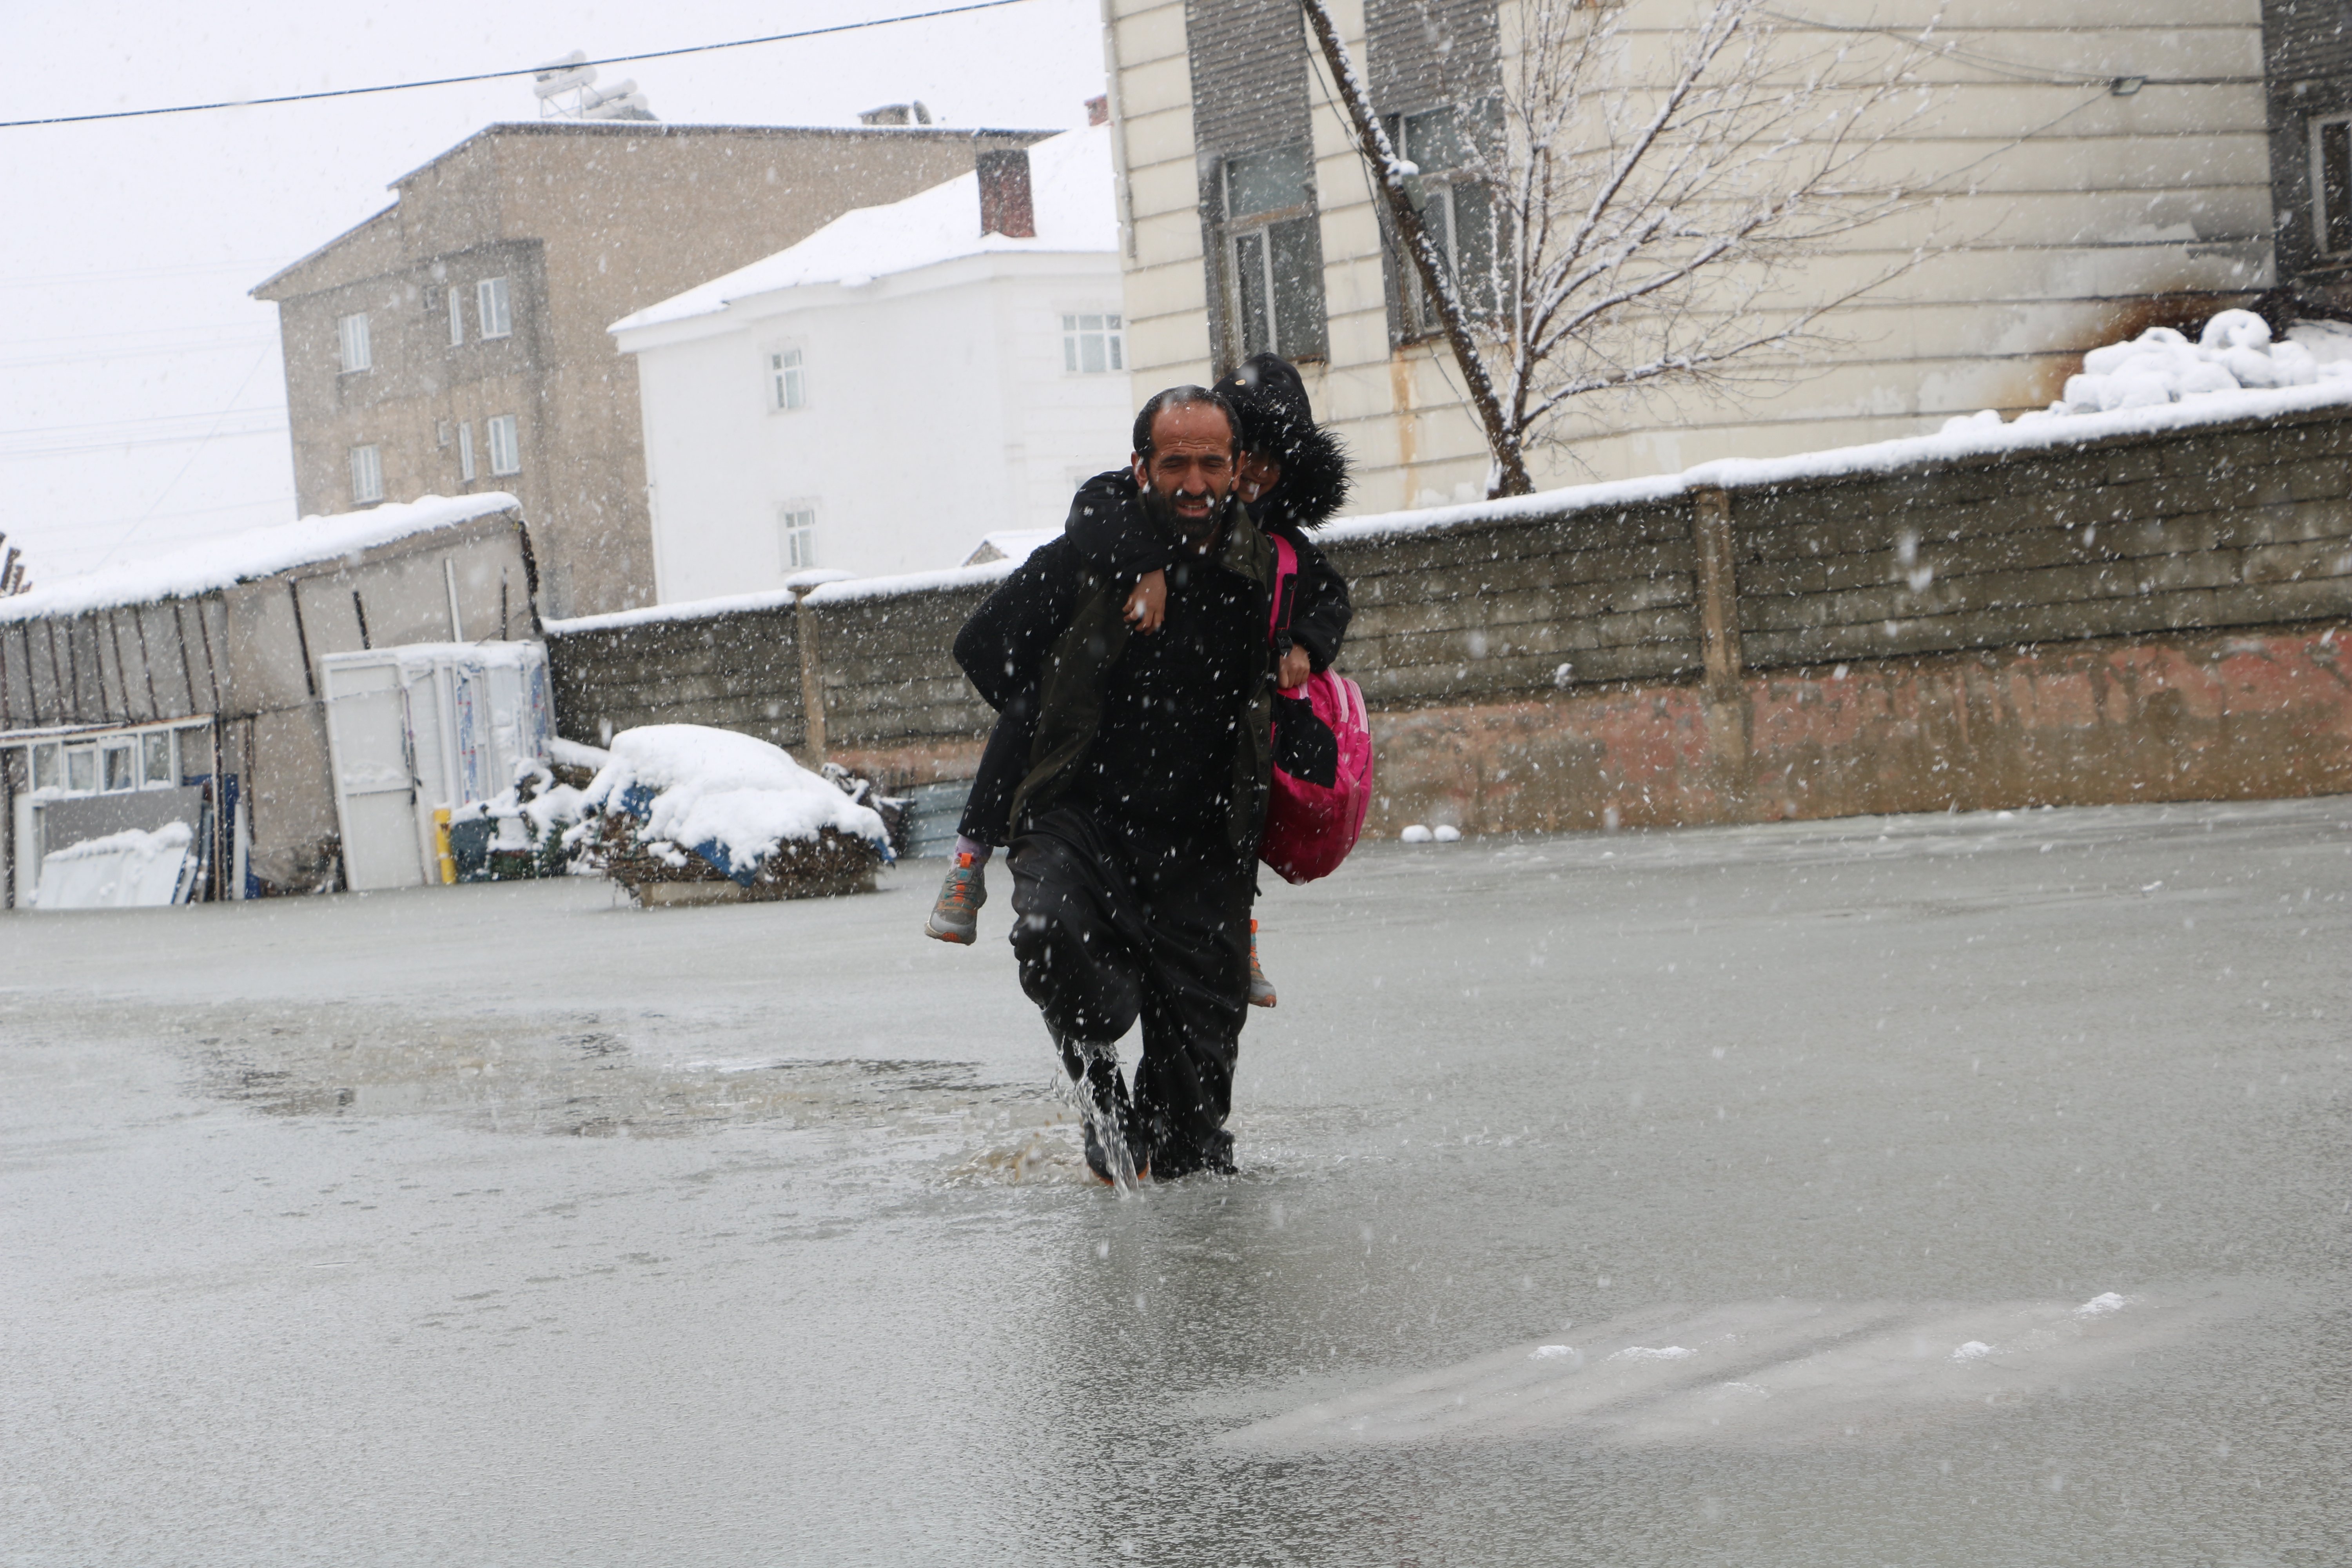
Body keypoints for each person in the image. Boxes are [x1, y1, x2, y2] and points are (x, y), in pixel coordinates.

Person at [945, 385, 1328, 1183]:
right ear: (1141, 466)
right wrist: (1049, 713)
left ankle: (1189, 1202)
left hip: (1205, 846)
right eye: (1175, 463)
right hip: (1080, 823)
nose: (1195, 483)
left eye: (1212, 464)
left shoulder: (1265, 564)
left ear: (1237, 468)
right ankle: (1098, 1087)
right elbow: (983, 645)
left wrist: (1305, 656)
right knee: (1050, 935)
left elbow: (1322, 609)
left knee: (1192, 1147)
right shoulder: (1091, 553)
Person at [927, 354, 1353, 1008]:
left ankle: (1239, 928)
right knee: (1026, 720)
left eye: (1268, 462)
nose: (1250, 476)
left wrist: (1305, 644)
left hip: (1214, 748)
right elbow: (1092, 510)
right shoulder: (1130, 510)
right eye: (1246, 454)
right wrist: (1146, 566)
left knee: (1242, 789)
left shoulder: (1281, 547)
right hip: (1092, 738)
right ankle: (970, 855)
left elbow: (1331, 599)